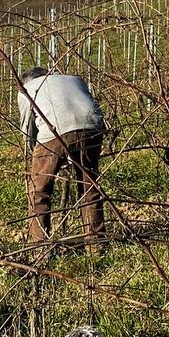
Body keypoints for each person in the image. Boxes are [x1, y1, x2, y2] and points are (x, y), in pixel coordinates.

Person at [17, 66, 106, 244]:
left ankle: (39, 246)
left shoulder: (27, 90)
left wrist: (37, 153)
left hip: (54, 131)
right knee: (89, 187)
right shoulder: (74, 79)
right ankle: (96, 244)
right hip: (93, 127)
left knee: (39, 192)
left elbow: (28, 128)